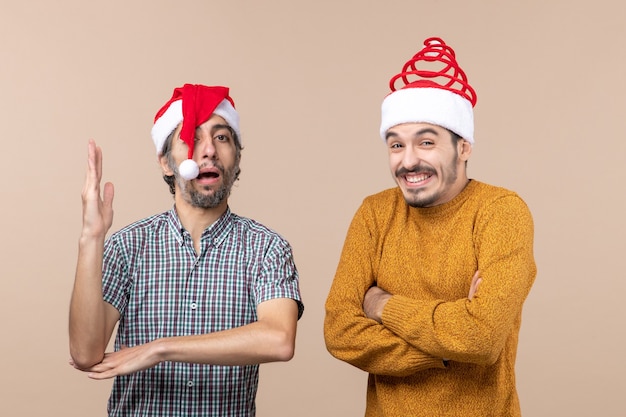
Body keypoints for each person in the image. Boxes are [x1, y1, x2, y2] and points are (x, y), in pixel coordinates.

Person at [323, 38, 536, 416]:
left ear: (464, 147)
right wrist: (449, 348)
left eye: (426, 142)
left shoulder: (501, 212)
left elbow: (483, 339)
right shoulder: (374, 213)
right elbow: (340, 332)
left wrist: (382, 305)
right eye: (395, 145)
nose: (408, 161)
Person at [69, 83, 304, 417]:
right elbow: (84, 353)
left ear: (236, 158)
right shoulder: (128, 246)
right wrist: (91, 238)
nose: (207, 150)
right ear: (166, 163)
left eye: (221, 137)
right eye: (191, 137)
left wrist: (162, 349)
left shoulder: (267, 248)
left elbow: (279, 339)